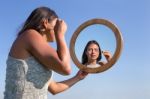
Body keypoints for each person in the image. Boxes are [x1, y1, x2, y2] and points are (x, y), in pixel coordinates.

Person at [4, 7, 88, 99]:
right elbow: (66, 68)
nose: (57, 28)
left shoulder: (39, 52)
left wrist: (78, 77)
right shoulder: (30, 35)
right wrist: (60, 34)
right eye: (56, 25)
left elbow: (54, 88)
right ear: (45, 23)